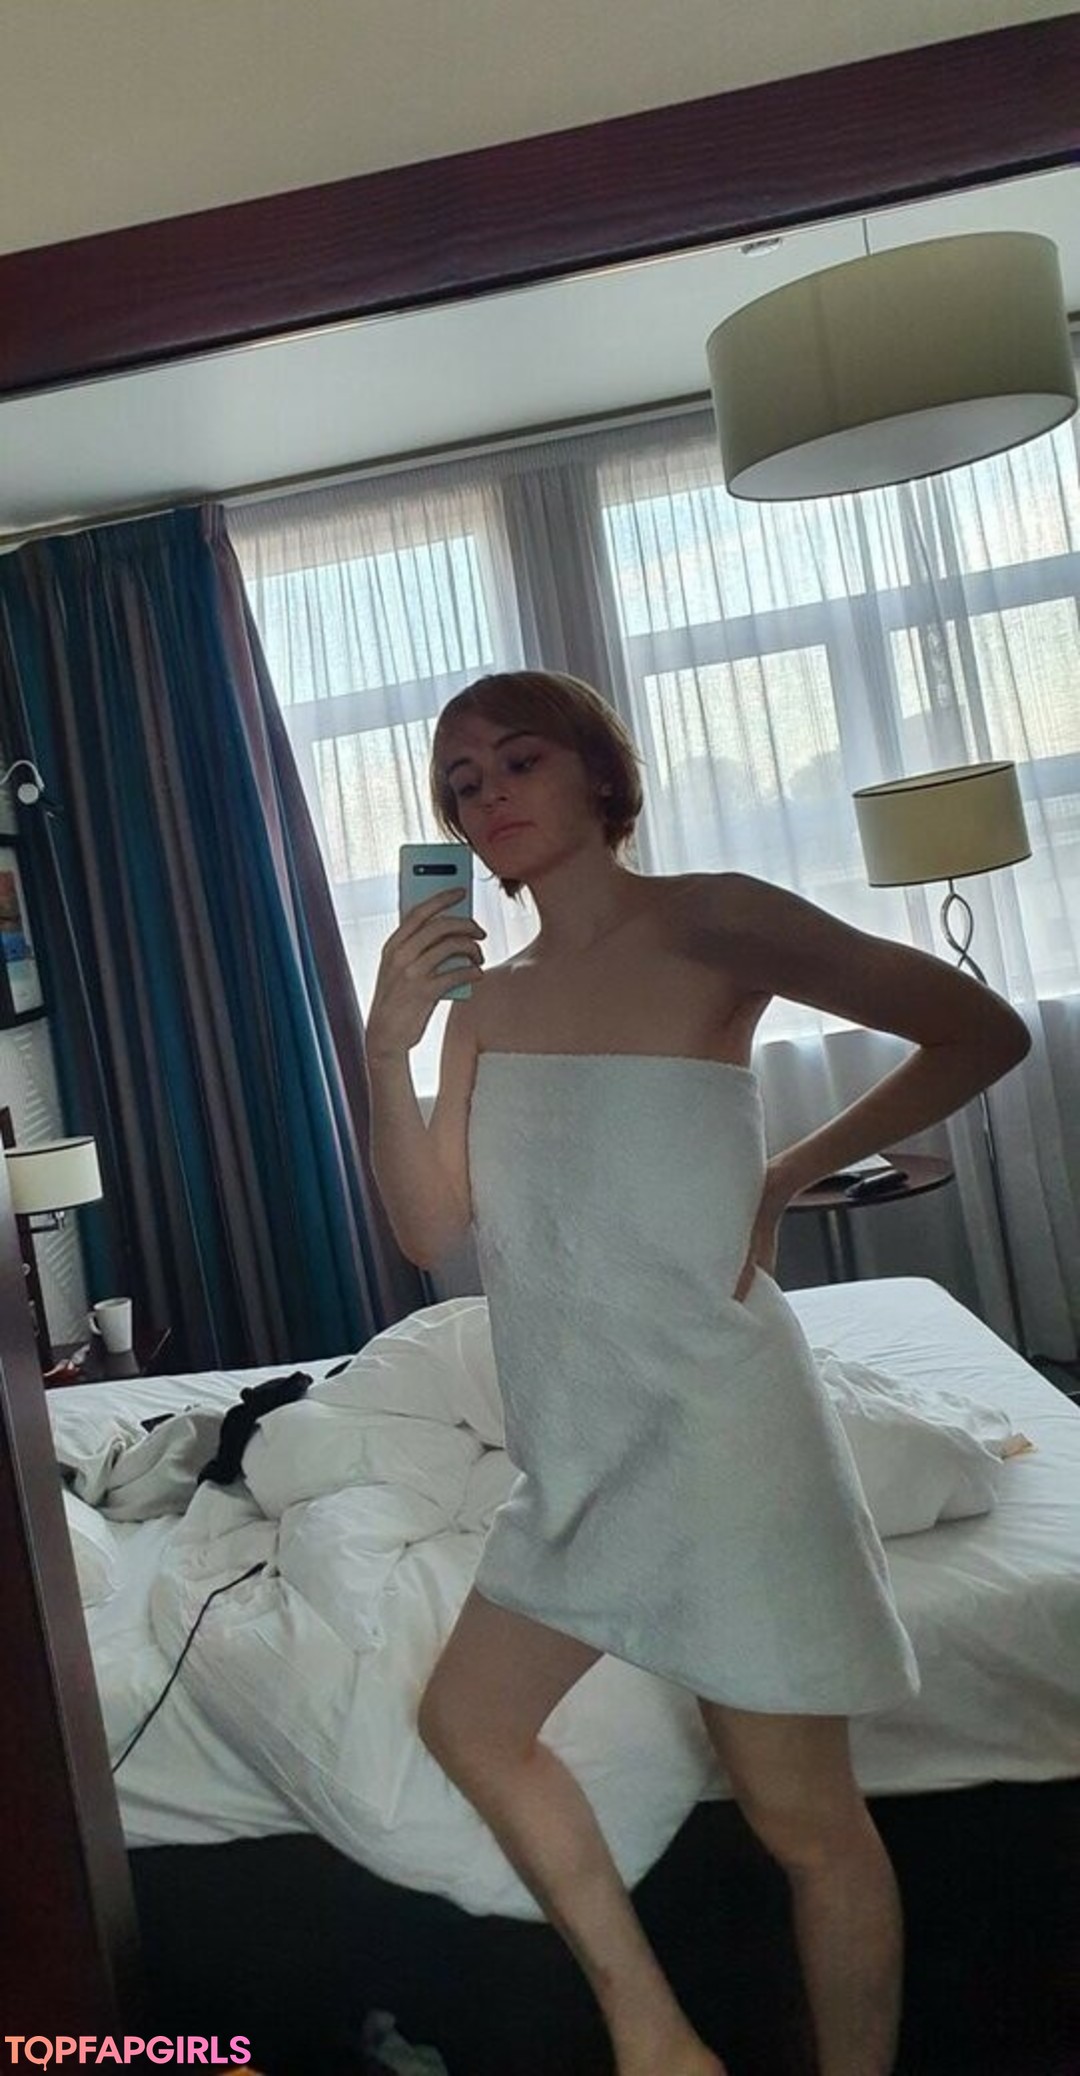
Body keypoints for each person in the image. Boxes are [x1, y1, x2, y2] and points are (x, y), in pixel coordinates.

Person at [365, 669, 1030, 2076]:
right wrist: (385, 1042)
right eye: (462, 784)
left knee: (804, 1822)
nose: (488, 796)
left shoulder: (713, 917)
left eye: (517, 760)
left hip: (724, 1439)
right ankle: (655, 2035)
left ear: (601, 775)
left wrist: (783, 1174)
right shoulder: (483, 1004)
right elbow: (430, 1232)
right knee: (472, 1724)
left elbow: (984, 1030)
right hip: (580, 1453)